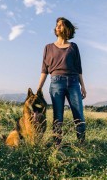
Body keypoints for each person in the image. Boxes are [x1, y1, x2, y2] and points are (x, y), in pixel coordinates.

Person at [37, 17, 87, 146]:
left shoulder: (73, 47)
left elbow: (78, 68)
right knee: (58, 117)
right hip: (56, 83)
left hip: (74, 83)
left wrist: (83, 86)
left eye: (61, 25)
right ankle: (57, 145)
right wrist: (39, 88)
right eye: (57, 25)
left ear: (67, 29)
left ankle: (81, 144)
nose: (57, 27)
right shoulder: (48, 47)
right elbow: (44, 70)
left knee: (79, 115)